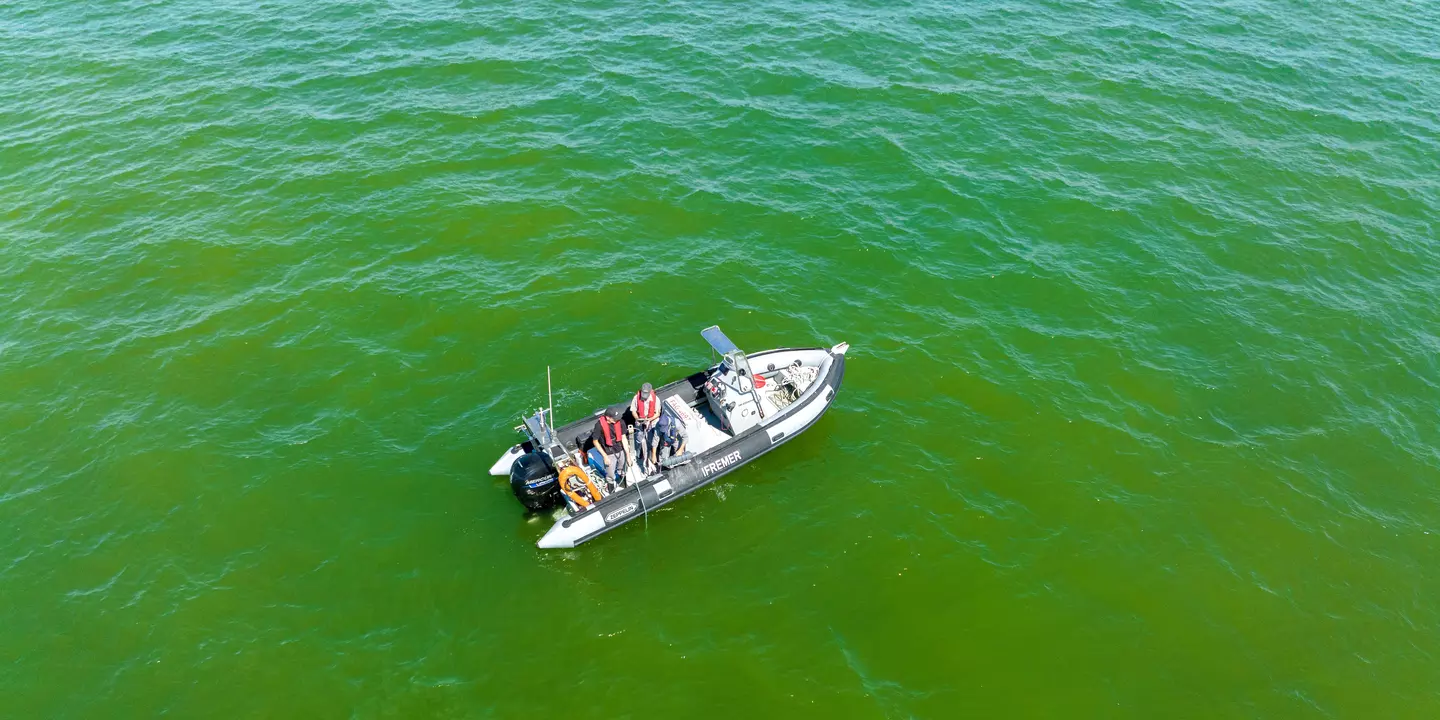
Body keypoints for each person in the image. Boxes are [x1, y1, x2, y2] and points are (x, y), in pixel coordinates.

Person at [590, 405, 632, 484]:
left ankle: (623, 482)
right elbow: (595, 441)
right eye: (614, 418)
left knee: (623, 468)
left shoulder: (620, 422)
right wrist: (605, 456)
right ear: (607, 417)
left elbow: (623, 438)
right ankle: (611, 486)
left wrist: (628, 456)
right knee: (610, 473)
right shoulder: (599, 426)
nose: (617, 420)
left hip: (620, 448)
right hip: (609, 452)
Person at [630, 382, 661, 472]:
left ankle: (652, 455)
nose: (644, 395)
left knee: (652, 439)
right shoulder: (636, 398)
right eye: (643, 393)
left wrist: (649, 420)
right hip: (640, 421)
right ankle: (639, 453)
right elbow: (633, 411)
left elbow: (657, 413)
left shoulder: (656, 399)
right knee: (639, 439)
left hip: (652, 421)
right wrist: (639, 419)